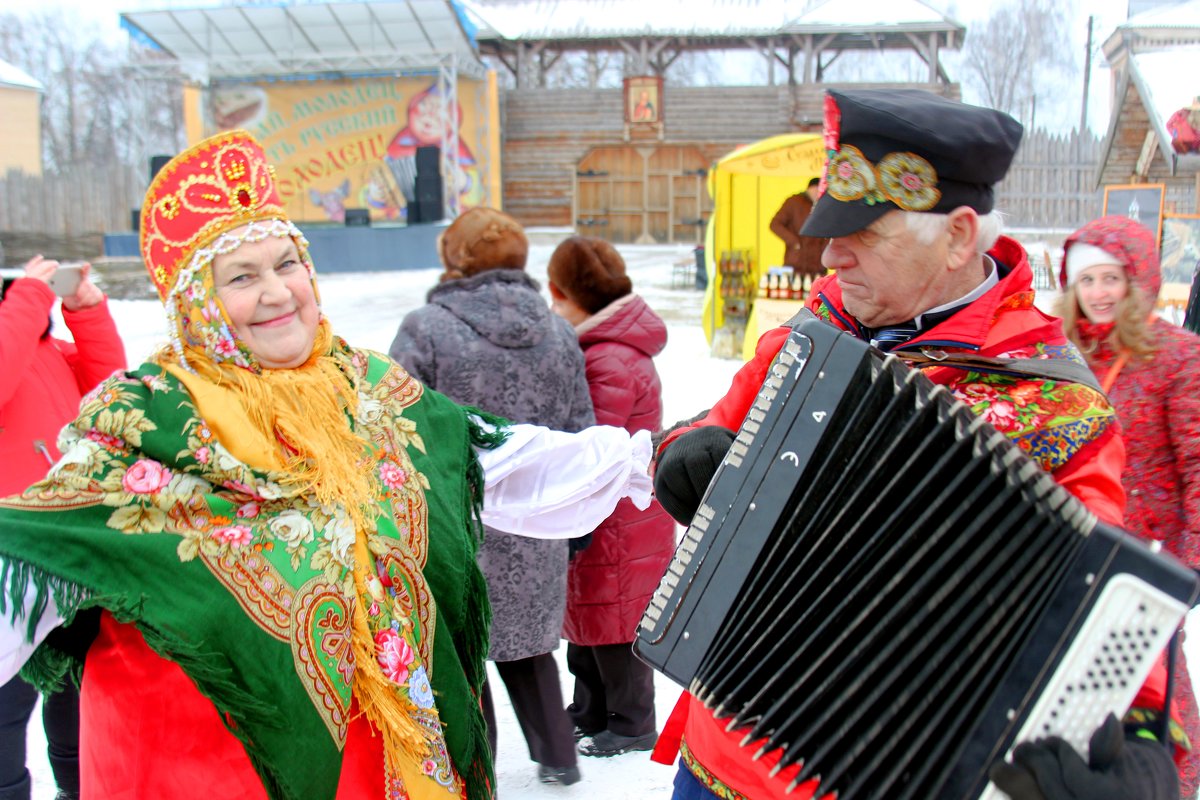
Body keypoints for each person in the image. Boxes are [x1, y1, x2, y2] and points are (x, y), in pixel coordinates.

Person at [0, 130, 655, 800]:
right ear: (195, 304)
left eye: (287, 263)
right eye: (242, 277)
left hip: (391, 769)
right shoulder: (140, 425)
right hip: (209, 776)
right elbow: (24, 567)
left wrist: (648, 458)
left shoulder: (368, 388)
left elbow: (502, 456)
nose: (279, 293)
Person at [651, 88, 1183, 800]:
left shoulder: (1055, 404)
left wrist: (1140, 744)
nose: (829, 253)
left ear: (959, 236)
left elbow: (1101, 596)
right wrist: (687, 450)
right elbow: (714, 424)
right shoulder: (810, 335)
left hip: (876, 771)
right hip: (724, 743)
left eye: (863, 233)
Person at [387, 206, 594, 787]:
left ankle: (476, 774)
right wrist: (575, 521)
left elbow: (389, 425)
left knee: (462, 649)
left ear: (456, 257)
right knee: (529, 647)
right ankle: (559, 755)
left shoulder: (426, 328)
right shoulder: (558, 330)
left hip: (457, 521)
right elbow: (580, 429)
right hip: (537, 519)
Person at [1057, 214, 1200, 797]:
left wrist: (1192, 559)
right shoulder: (1062, 359)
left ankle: (1178, 779)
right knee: (1078, 672)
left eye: (1110, 278)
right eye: (1086, 281)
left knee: (1159, 673)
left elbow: (1197, 460)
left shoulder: (1178, 355)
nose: (1098, 294)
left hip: (1152, 551)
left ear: (1138, 281)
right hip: (1076, 544)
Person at [547, 236, 678, 759]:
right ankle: (591, 707)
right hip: (605, 510)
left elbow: (593, 441)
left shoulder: (609, 359)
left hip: (619, 513)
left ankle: (632, 722)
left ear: (566, 292)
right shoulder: (601, 348)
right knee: (591, 618)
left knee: (617, 625)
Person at [0, 257, 125, 800]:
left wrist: (86, 311)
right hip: (10, 560)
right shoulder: (16, 344)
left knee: (78, 701)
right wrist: (27, 297)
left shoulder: (48, 352)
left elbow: (111, 397)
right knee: (6, 712)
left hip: (72, 548)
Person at [768, 177, 828, 278]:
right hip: (796, 263)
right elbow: (775, 224)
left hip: (818, 266)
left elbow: (829, 231)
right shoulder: (793, 202)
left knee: (817, 291)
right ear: (812, 188)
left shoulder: (824, 205)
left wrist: (825, 250)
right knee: (794, 290)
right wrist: (794, 242)